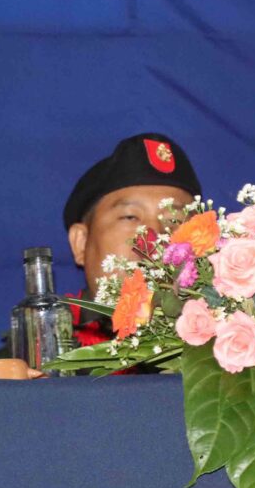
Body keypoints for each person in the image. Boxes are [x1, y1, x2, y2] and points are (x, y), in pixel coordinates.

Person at [59, 132, 202, 345]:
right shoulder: (40, 349)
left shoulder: (231, 344)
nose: (153, 239)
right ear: (81, 242)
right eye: (130, 217)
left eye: (174, 221)